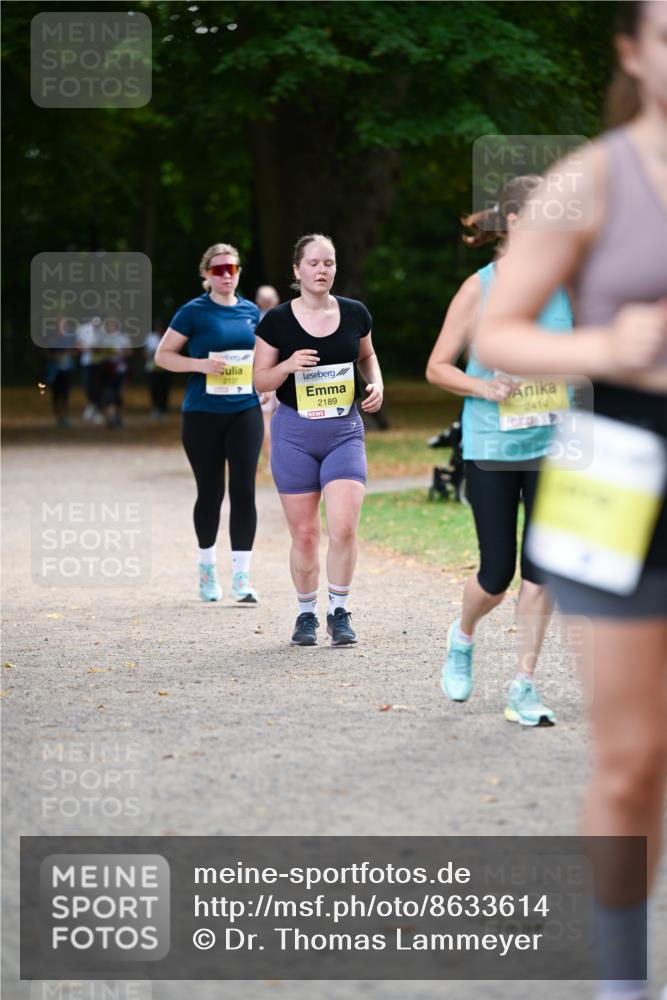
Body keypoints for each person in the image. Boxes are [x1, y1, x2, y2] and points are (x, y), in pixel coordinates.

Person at [475, 3, 667, 997]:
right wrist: (602, 348)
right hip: (621, 467)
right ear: (633, 53)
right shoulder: (588, 180)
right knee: (634, 761)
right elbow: (500, 329)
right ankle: (620, 979)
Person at [426, 176, 573, 726]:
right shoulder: (479, 288)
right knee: (497, 572)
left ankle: (523, 684)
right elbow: (437, 367)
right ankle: (463, 636)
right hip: (491, 444)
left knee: (541, 572)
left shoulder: (566, 285)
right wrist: (485, 386)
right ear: (513, 222)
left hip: (551, 444)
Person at [253, 233, 383, 646]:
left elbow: (366, 356)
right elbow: (259, 379)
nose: (322, 270)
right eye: (313, 263)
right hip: (293, 434)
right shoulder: (276, 321)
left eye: (328, 263)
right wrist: (288, 365)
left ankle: (339, 611)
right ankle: (306, 614)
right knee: (306, 534)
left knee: (343, 526)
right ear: (297, 270)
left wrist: (376, 383)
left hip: (344, 431)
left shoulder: (355, 313)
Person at [155, 242, 264, 603]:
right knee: (211, 491)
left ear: (239, 272)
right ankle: (206, 569)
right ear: (206, 274)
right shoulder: (193, 312)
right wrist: (199, 365)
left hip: (245, 409)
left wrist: (268, 387)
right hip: (202, 413)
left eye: (231, 268)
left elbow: (266, 356)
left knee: (244, 490)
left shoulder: (251, 312)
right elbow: (163, 356)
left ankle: (242, 577)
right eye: (218, 269)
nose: (226, 275)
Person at [255, 286, 280, 469]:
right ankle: (279, 461)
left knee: (266, 421)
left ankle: (272, 462)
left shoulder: (254, 322)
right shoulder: (287, 318)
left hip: (263, 376)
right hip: (285, 376)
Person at [45, 318, 78, 427]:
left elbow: (75, 350)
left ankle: (65, 416)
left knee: (65, 394)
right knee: (56, 395)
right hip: (55, 371)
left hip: (67, 370)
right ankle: (59, 417)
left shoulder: (70, 339)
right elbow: (47, 354)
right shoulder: (51, 339)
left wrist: (69, 353)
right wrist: (58, 356)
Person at [144, 321, 171, 419]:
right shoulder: (150, 338)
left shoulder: (169, 337)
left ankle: (163, 409)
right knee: (154, 388)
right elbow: (146, 353)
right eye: (157, 327)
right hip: (153, 368)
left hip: (165, 368)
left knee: (164, 389)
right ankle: (155, 408)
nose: (159, 329)